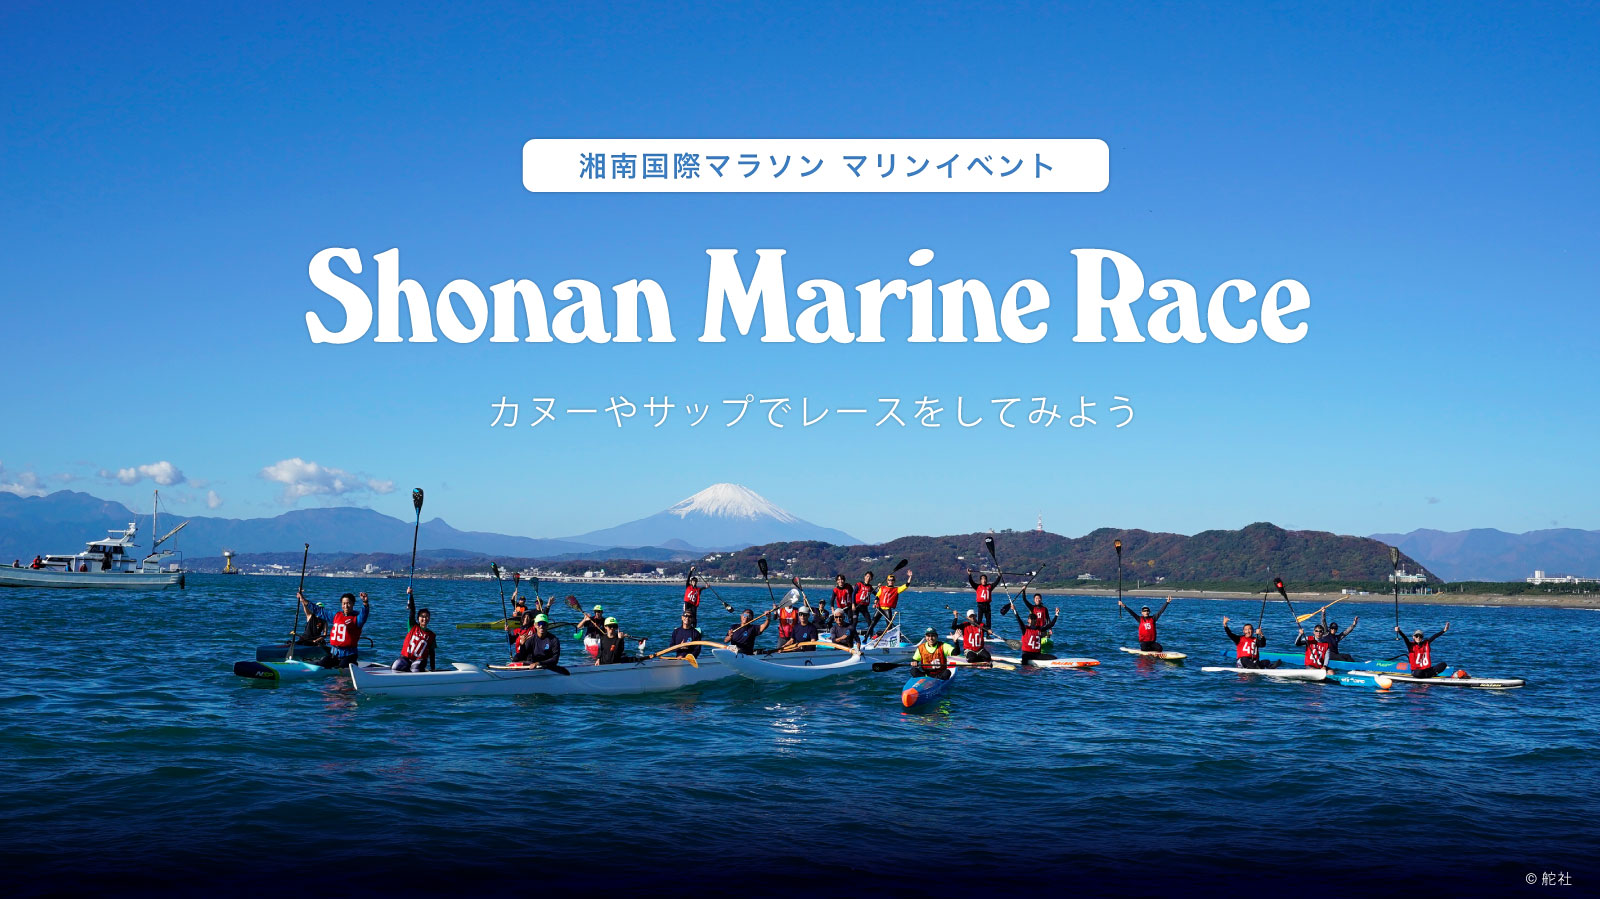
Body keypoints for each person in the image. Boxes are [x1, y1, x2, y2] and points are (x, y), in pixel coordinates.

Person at [301, 590, 369, 668]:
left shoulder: (357, 618)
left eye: (348, 603)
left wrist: (365, 603)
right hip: (334, 654)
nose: (346, 606)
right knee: (320, 665)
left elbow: (364, 614)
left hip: (349, 655)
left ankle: (353, 665)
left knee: (341, 668)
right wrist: (303, 600)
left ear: (353, 604)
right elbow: (319, 611)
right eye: (344, 603)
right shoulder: (336, 616)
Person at [394, 599, 437, 672]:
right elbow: (412, 611)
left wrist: (433, 668)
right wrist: (411, 596)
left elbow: (432, 653)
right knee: (396, 666)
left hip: (419, 660)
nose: (424, 619)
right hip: (406, 658)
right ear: (418, 618)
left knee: (415, 669)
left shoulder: (431, 635)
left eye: (427, 616)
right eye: (422, 616)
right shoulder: (412, 626)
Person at [1012, 602, 1059, 666]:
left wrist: (1056, 614)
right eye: (1032, 619)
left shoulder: (1039, 629)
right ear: (1028, 620)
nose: (1033, 620)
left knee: (1054, 658)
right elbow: (1019, 620)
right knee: (1024, 659)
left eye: (1034, 619)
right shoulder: (1025, 629)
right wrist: (1014, 610)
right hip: (1027, 654)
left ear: (1036, 621)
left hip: (1037, 655)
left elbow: (1051, 624)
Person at [868, 570, 912, 638]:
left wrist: (910, 576)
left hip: (887, 610)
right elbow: (877, 596)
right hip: (879, 609)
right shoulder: (882, 588)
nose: (891, 581)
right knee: (872, 624)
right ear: (887, 581)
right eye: (889, 580)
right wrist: (875, 602)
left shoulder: (896, 589)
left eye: (892, 580)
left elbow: (906, 585)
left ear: (894, 581)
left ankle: (880, 634)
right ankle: (866, 637)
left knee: (889, 627)